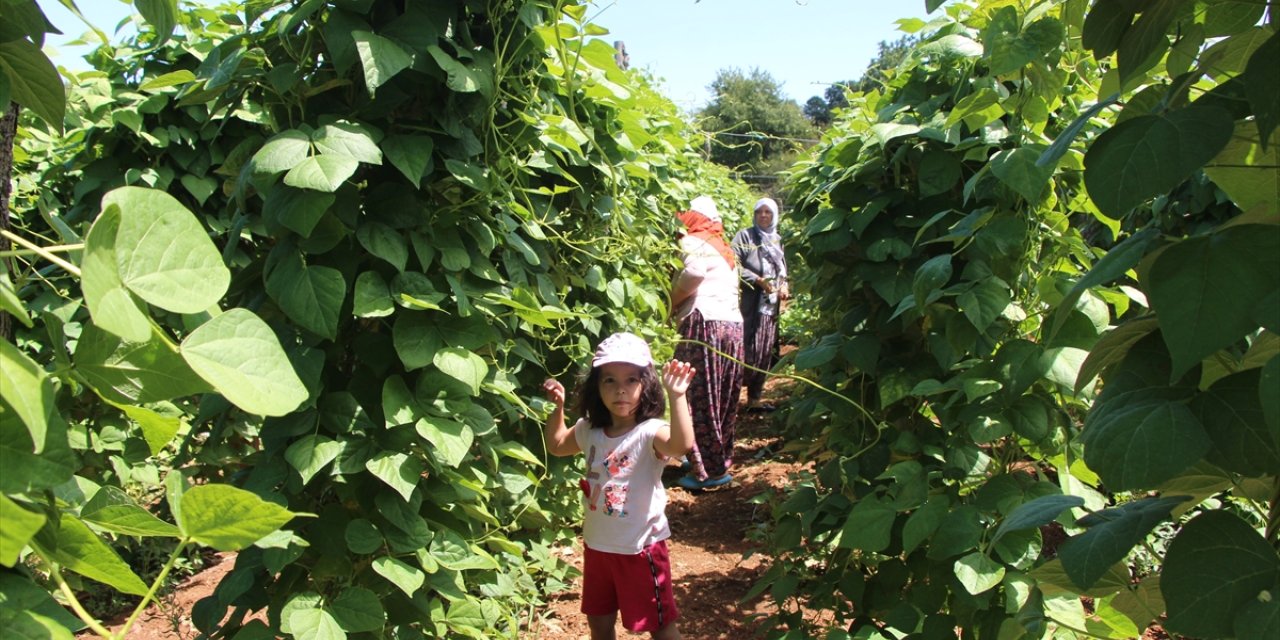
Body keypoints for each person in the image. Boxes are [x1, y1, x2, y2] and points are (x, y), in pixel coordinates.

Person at [542, 332, 696, 640]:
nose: (620, 390)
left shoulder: (650, 432)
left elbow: (681, 445)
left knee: (660, 626)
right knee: (599, 621)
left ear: (647, 385)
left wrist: (678, 396)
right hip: (597, 547)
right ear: (596, 386)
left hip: (640, 549)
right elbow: (558, 445)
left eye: (631, 380)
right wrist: (556, 407)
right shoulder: (589, 429)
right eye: (609, 380)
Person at [669, 195, 744, 491]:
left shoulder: (693, 241)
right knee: (722, 395)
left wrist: (670, 302)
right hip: (732, 326)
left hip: (704, 323)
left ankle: (706, 472)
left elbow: (694, 273)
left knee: (696, 394)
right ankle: (715, 460)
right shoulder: (725, 250)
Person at [732, 197, 790, 412]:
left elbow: (781, 271)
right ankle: (732, 397)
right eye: (759, 212)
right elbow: (733, 265)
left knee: (765, 352)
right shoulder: (745, 236)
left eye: (768, 212)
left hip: (769, 309)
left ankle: (754, 399)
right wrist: (757, 280)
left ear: (774, 215)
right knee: (746, 352)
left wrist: (783, 286)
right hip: (749, 307)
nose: (763, 216)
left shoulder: (777, 240)